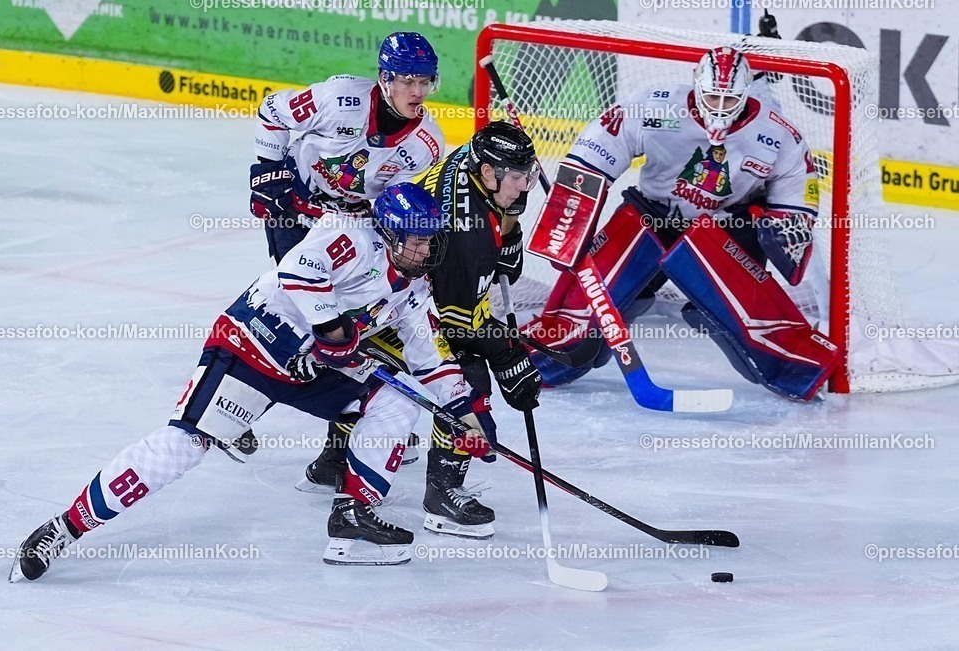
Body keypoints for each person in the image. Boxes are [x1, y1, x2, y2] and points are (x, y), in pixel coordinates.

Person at [9, 183, 497, 580]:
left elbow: (430, 357)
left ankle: (352, 518)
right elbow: (298, 270)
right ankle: (66, 527)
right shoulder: (349, 232)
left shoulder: (413, 288)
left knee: (396, 402)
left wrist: (466, 413)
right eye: (417, 239)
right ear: (389, 232)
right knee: (184, 445)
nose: (426, 249)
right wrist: (332, 332)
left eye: (430, 239)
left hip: (313, 367)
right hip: (252, 344)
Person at [523, 44, 839, 401]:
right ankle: (549, 352)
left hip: (725, 231)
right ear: (696, 85)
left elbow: (797, 194)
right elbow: (595, 151)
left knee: (757, 328)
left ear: (746, 94)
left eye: (730, 100)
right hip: (651, 217)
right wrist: (570, 213)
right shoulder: (654, 105)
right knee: (586, 313)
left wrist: (786, 226)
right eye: (712, 98)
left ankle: (796, 365)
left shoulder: (779, 134)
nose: (719, 109)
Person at [298, 121, 544, 539]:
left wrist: (508, 228)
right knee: (467, 375)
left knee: (423, 366)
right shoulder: (464, 234)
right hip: (380, 310)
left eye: (527, 175)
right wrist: (507, 354)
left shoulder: (472, 163)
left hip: (378, 298)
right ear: (488, 172)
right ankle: (442, 495)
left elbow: (491, 261)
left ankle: (333, 462)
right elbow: (454, 324)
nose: (525, 186)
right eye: (518, 178)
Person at [250, 31, 445, 263]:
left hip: (352, 222)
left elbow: (397, 201)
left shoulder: (426, 144)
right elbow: (273, 111)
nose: (418, 92)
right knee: (297, 280)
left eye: (424, 82)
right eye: (408, 81)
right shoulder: (340, 98)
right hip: (294, 204)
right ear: (385, 79)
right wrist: (269, 170)